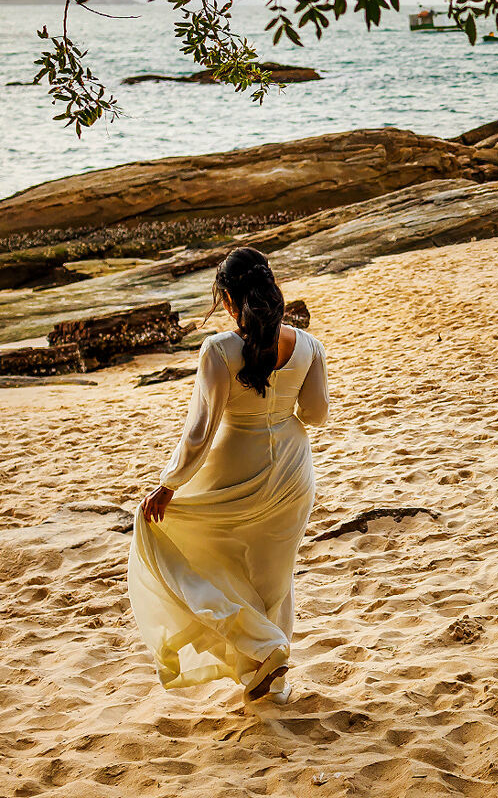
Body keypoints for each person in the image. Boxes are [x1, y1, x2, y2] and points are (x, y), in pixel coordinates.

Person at [129, 247, 329, 705]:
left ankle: (262, 650)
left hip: (234, 471)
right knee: (276, 579)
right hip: (293, 476)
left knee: (206, 559)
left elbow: (199, 433)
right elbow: (316, 415)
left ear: (226, 299)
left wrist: (168, 485)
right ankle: (271, 679)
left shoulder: (219, 351)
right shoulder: (309, 346)